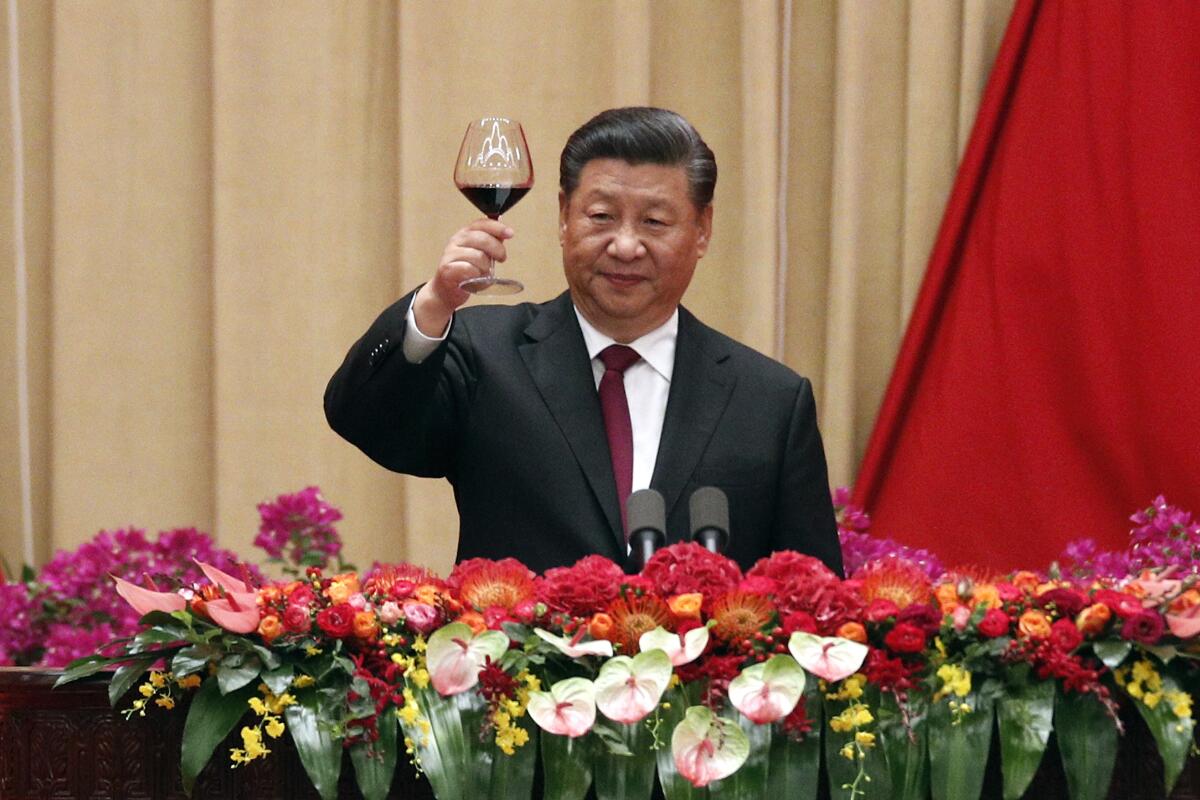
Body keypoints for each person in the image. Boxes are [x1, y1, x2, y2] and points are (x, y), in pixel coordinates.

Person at [325, 107, 842, 576]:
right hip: (516, 676)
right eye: (601, 216)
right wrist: (434, 304)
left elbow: (814, 597)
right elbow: (364, 419)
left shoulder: (770, 401)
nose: (624, 245)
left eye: (655, 222)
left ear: (702, 230)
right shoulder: (485, 354)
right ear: (563, 217)